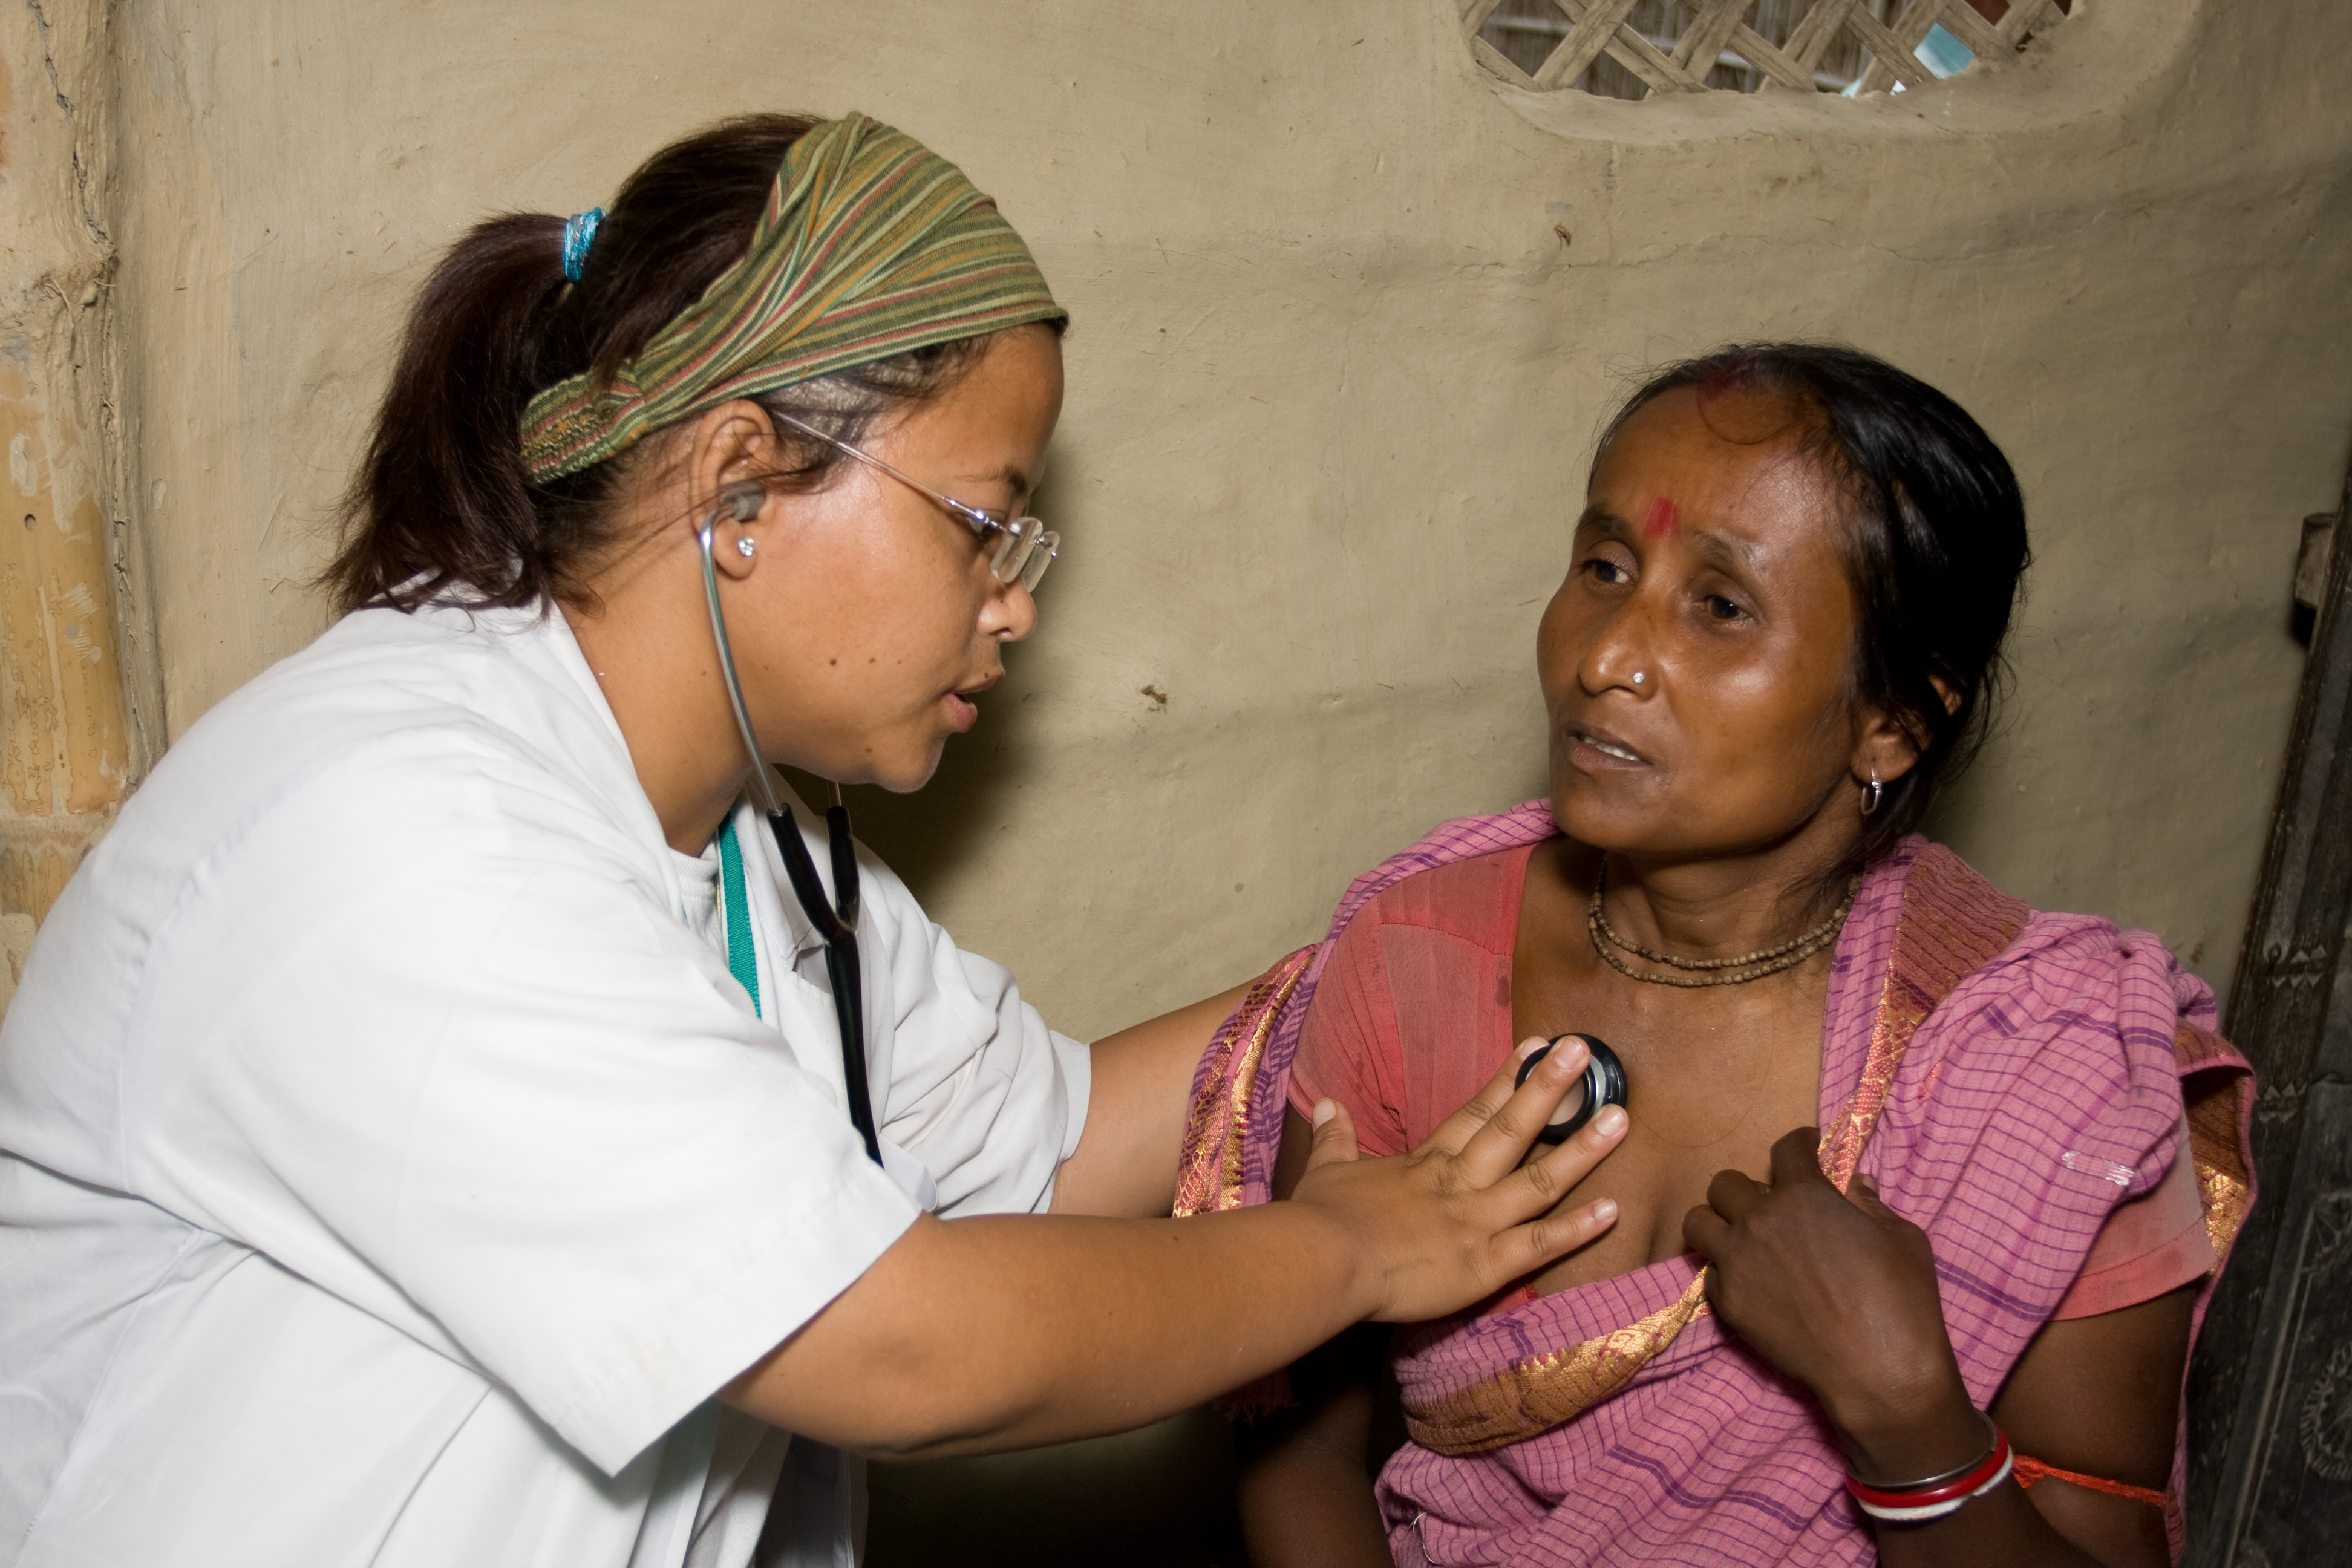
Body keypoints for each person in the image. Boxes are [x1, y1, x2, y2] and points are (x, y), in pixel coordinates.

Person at [0, 113, 1627, 1568]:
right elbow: (901, 1347)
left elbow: (1050, 1149)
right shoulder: (396, 833)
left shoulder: (754, 854)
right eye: (988, 523)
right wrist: (1347, 1247)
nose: (1019, 603)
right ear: (739, 487)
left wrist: (1476, 926)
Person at [1189, 344, 2256, 1567]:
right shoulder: (1416, 959)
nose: (1605, 659)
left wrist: (1911, 1421)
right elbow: (1303, 1447)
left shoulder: (2041, 1071)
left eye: (1720, 607)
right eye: (1603, 568)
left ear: (1894, 721)